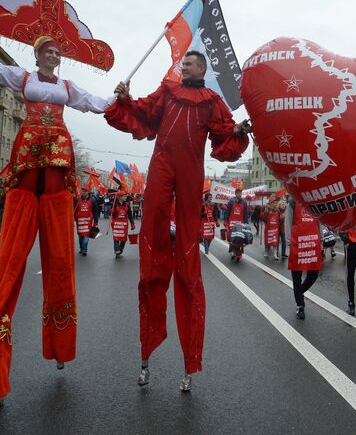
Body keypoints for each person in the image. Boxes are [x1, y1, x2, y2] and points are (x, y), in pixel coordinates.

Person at [0, 17, 115, 405]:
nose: (54, 55)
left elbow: (95, 104)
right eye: (49, 50)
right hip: (29, 164)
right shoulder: (23, 77)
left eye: (57, 52)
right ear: (37, 54)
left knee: (61, 260)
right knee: (12, 261)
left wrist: (120, 98)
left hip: (58, 170)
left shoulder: (66, 87)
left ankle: (61, 348)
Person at [106, 50, 250, 391]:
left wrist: (240, 131)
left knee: (188, 262)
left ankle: (189, 356)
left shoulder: (211, 100)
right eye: (182, 64)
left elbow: (225, 136)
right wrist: (126, 99)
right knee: (154, 242)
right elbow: (144, 111)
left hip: (189, 171)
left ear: (200, 68)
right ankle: (155, 267)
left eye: (188, 64)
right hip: (162, 164)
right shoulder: (169, 91)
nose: (182, 67)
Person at [288, 199, 322, 319]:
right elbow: (288, 223)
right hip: (297, 243)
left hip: (312, 243)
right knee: (296, 277)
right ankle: (300, 306)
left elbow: (319, 222)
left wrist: (321, 240)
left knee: (314, 274)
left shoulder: (315, 201)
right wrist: (288, 242)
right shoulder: (292, 203)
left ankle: (299, 292)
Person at [74, 189, 100, 255]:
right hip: (79, 222)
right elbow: (74, 209)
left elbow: (95, 212)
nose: (83, 192)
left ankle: (84, 250)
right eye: (82, 191)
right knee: (80, 237)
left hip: (88, 222)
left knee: (86, 236)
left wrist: (96, 222)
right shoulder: (77, 200)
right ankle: (81, 248)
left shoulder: (93, 200)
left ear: (88, 192)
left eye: (85, 191)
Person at [110, 192, 135, 257]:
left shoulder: (127, 204)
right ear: (120, 197)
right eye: (124, 196)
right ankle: (117, 251)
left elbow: (130, 215)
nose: (126, 197)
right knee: (116, 237)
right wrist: (111, 211)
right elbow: (110, 214)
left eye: (126, 196)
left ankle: (120, 249)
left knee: (124, 238)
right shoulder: (114, 204)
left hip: (124, 225)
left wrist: (132, 223)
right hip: (116, 224)